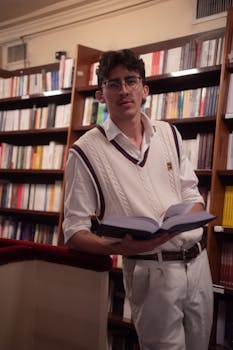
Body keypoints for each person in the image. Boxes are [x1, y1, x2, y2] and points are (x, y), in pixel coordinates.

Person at [62, 49, 213, 350]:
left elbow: (192, 194)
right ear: (100, 95)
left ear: (144, 89)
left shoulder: (169, 133)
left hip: (198, 264)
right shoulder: (84, 151)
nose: (123, 90)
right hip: (150, 270)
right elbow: (73, 232)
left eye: (130, 81)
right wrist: (119, 247)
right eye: (113, 83)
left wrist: (186, 217)